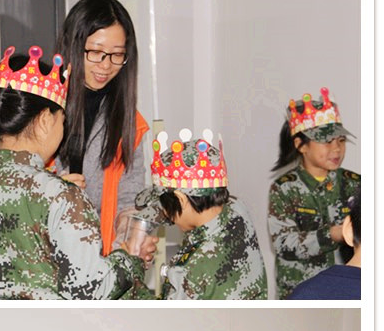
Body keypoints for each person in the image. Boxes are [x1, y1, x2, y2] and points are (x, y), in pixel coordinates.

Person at [0, 44, 152, 299]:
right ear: (44, 120)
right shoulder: (63, 197)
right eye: (62, 120)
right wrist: (129, 258)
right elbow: (91, 290)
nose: (63, 129)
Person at [55, 0, 150, 257]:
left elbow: (129, 199)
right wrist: (49, 190)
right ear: (72, 45)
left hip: (96, 263)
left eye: (117, 55)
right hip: (39, 263)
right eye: (96, 52)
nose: (106, 65)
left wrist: (132, 240)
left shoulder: (129, 121)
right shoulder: (36, 104)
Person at [133, 130, 268, 299]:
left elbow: (161, 314)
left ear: (181, 200)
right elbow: (183, 208)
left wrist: (132, 272)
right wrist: (142, 226)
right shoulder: (236, 209)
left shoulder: (190, 270)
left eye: (165, 205)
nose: (166, 213)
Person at [268, 87, 361, 299]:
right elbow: (283, 243)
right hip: (301, 290)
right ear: (301, 145)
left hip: (347, 287)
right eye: (327, 142)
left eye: (341, 141)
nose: (336, 149)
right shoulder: (284, 188)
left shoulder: (355, 183)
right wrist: (332, 234)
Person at [288, 190, 361, 299]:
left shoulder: (305, 294)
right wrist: (329, 235)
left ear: (348, 230)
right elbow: (286, 244)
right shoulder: (287, 187)